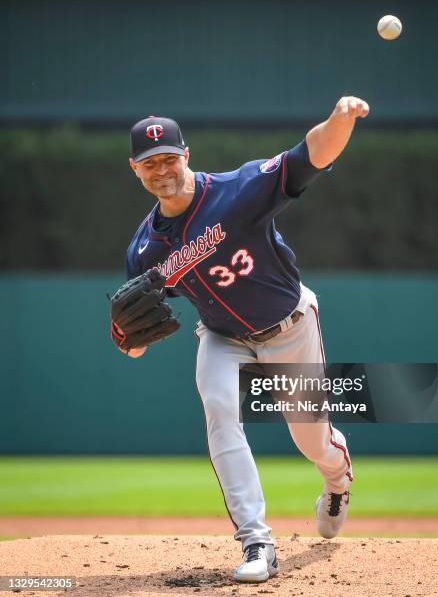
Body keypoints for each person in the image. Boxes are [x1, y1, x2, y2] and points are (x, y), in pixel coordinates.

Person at [115, 96, 369, 583]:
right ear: (136, 169)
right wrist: (124, 335)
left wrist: (340, 120)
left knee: (310, 438)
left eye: (169, 157)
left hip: (290, 326)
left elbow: (309, 155)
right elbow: (135, 343)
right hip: (222, 337)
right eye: (150, 163)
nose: (161, 169)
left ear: (185, 154)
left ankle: (337, 480)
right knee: (220, 410)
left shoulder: (239, 190)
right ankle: (256, 541)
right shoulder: (145, 249)